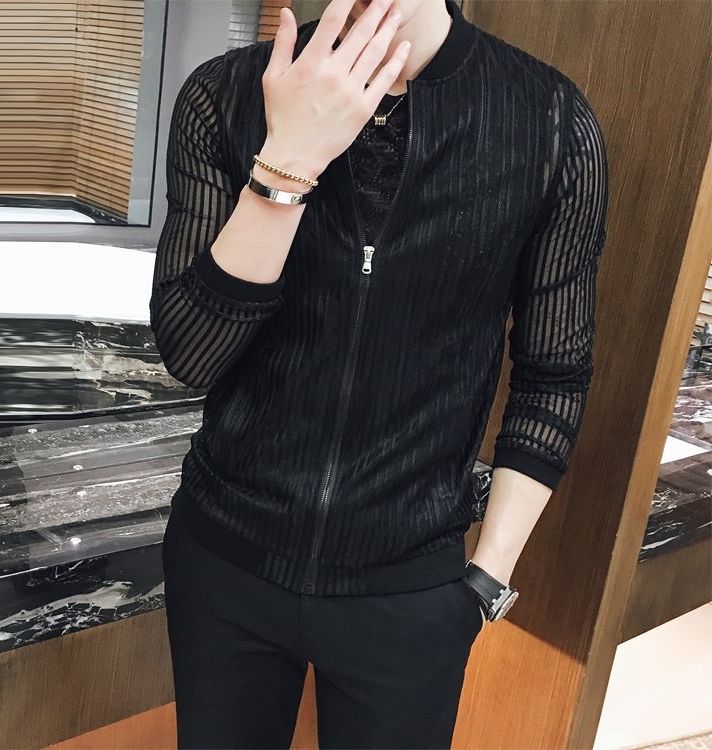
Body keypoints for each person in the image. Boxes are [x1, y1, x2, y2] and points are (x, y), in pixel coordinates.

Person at [152, 0, 609, 747]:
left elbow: (553, 373)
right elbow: (192, 355)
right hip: (223, 562)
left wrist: (484, 581)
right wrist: (287, 162)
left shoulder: (549, 121)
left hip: (411, 590)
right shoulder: (226, 94)